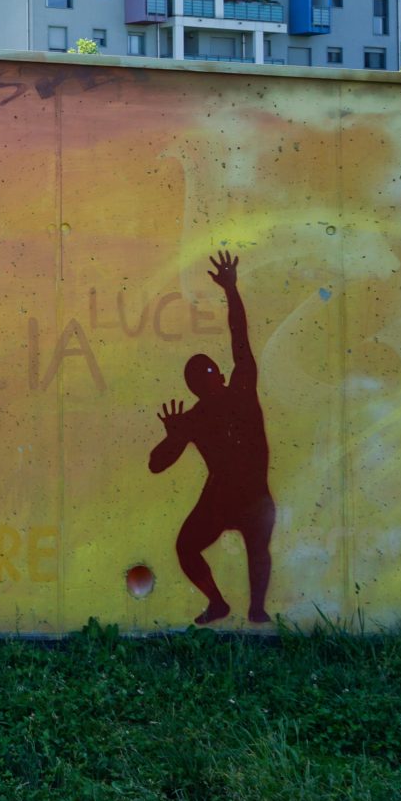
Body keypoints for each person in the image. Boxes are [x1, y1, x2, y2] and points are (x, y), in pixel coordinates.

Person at [148, 252, 275, 625]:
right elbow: (157, 463)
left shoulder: (240, 392)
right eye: (200, 380)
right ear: (198, 387)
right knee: (187, 546)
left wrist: (232, 289)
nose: (208, 383)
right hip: (221, 497)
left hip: (251, 495)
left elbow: (240, 338)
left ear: (218, 375)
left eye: (207, 375)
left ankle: (256, 609)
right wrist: (173, 437)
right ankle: (223, 604)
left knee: (258, 548)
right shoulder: (198, 416)